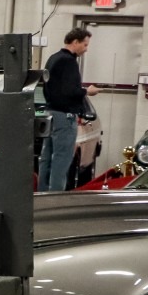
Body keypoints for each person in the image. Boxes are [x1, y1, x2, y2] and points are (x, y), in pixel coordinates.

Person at [40, 27, 97, 191]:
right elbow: (69, 91)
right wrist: (87, 91)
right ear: (75, 42)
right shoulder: (69, 61)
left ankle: (43, 194)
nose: (86, 49)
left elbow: (50, 87)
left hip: (50, 113)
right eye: (85, 45)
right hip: (64, 116)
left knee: (47, 158)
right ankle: (55, 198)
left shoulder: (53, 58)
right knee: (61, 159)